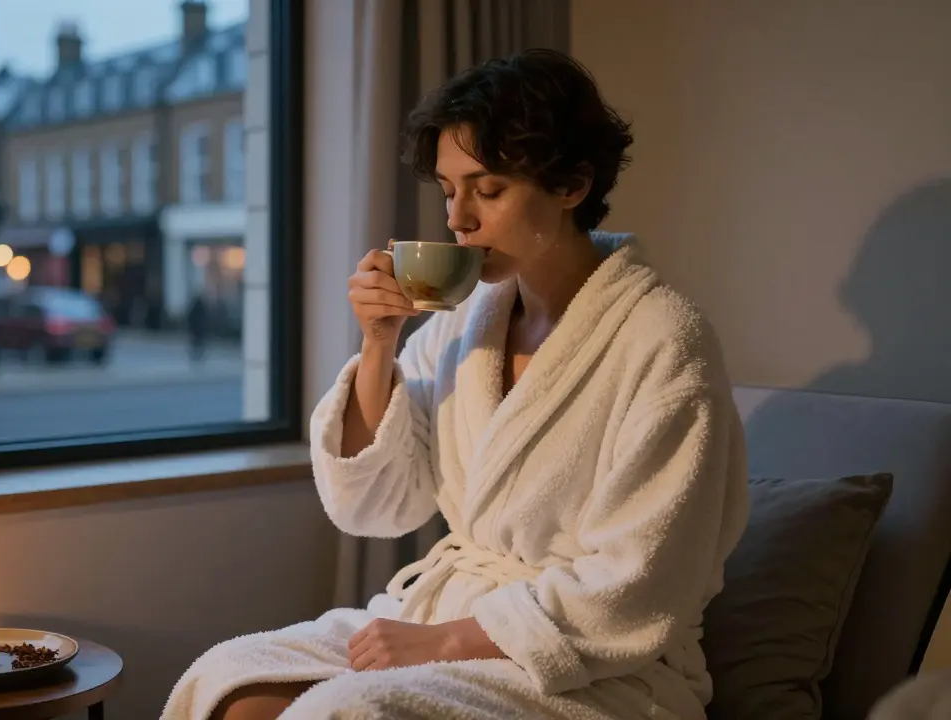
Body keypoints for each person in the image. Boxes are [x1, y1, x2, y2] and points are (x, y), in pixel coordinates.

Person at [162, 49, 750, 720]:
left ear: (572, 185)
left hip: (597, 668)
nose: (457, 219)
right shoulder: (469, 320)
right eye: (448, 189)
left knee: (344, 715)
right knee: (230, 681)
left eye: (487, 189)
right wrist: (379, 344)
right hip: (454, 614)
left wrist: (439, 640)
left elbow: (638, 587)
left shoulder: (666, 341)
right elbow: (379, 504)